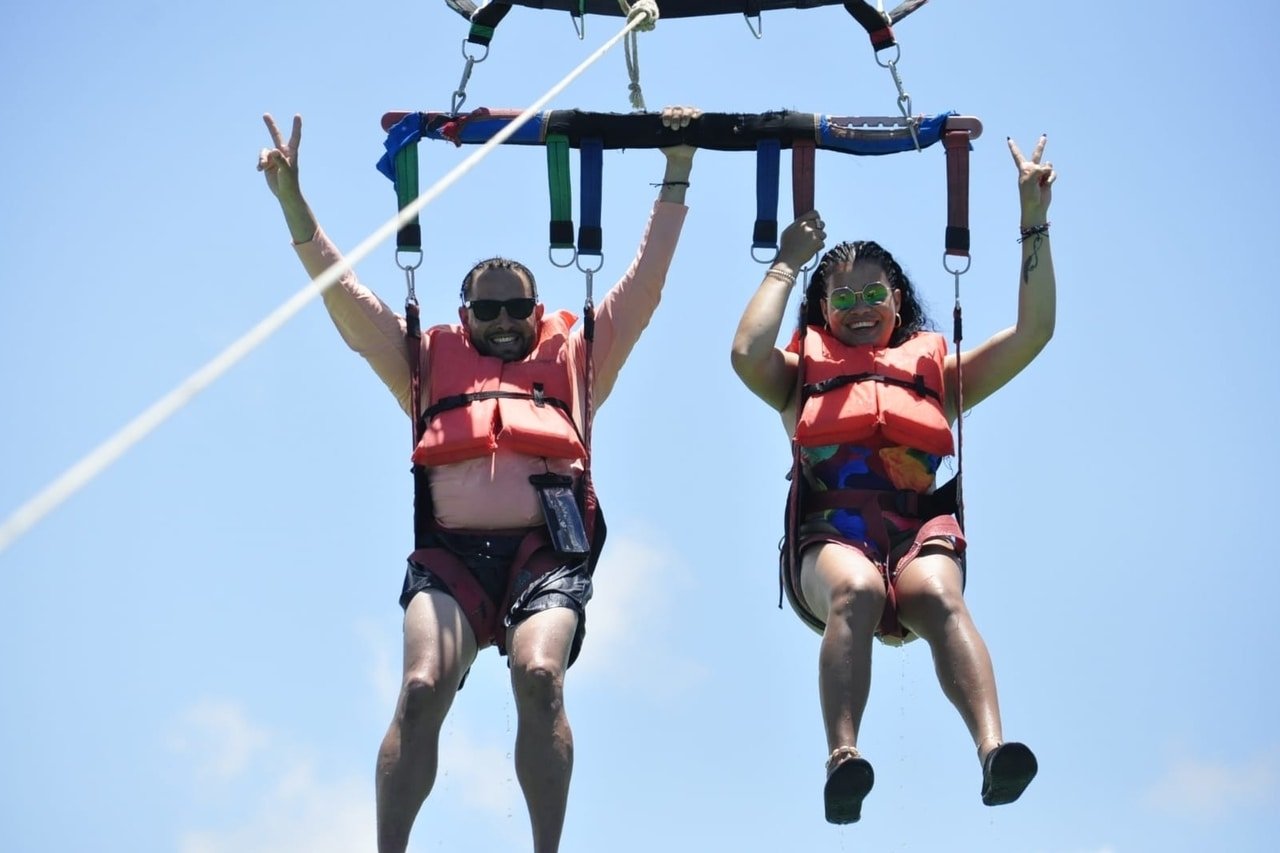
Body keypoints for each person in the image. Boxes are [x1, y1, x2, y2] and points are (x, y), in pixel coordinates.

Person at [258, 108, 698, 853]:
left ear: (536, 311)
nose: (503, 321)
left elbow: (645, 284)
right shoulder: (425, 362)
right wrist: (293, 204)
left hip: (543, 558)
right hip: (451, 561)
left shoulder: (578, 363)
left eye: (517, 308)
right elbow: (343, 295)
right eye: (487, 309)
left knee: (540, 676)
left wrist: (677, 170)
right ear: (464, 316)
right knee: (421, 687)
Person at [730, 135, 1056, 824]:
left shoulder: (938, 378)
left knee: (935, 592)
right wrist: (787, 263)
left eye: (873, 292)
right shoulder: (796, 379)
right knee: (858, 589)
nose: (859, 305)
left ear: (899, 300)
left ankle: (993, 750)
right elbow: (746, 350)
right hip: (831, 533)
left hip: (916, 529)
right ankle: (843, 757)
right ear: (821, 314)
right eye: (842, 297)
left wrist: (1034, 221)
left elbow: (1033, 333)